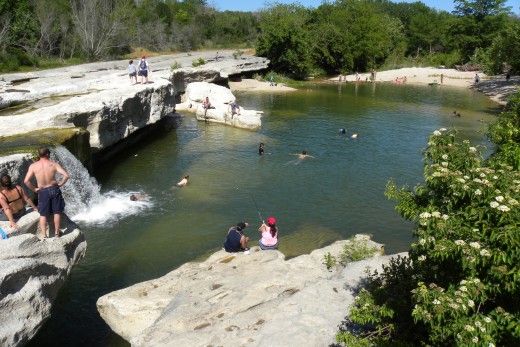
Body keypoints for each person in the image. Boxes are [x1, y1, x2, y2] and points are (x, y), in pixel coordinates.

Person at [24, 148, 69, 238]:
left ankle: (44, 235)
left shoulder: (33, 166)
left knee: (43, 214)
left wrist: (35, 189)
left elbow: (26, 181)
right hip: (54, 189)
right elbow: (66, 175)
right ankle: (57, 233)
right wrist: (60, 184)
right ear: (47, 154)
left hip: (42, 191)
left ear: (39, 155)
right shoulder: (53, 164)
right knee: (57, 212)